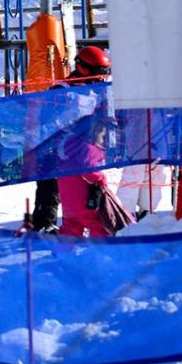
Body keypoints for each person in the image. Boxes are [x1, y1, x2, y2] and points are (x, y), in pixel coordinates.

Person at [32, 45, 112, 234]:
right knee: (50, 188)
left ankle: (74, 224)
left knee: (77, 191)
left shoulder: (95, 90)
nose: (100, 79)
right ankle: (44, 224)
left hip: (80, 152)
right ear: (83, 68)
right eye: (98, 73)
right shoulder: (61, 90)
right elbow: (47, 119)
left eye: (104, 75)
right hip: (54, 147)